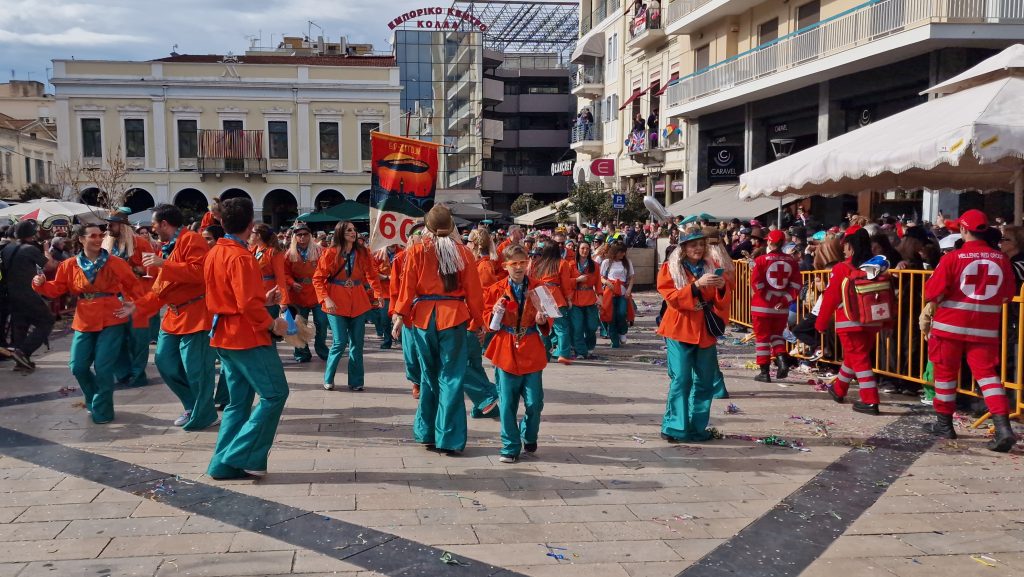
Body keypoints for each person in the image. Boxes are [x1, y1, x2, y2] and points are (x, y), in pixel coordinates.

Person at [205, 197, 290, 479]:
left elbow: (232, 297)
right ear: (251, 225)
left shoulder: (217, 251)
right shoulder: (242, 257)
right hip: (246, 337)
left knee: (238, 403)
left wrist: (262, 300)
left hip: (224, 334)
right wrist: (272, 323)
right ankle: (239, 455)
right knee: (275, 393)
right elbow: (246, 306)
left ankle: (221, 464)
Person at [922, 210, 1016, 451]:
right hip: (984, 329)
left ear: (963, 230)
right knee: (988, 377)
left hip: (949, 327)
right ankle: (1003, 428)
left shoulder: (953, 258)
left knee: (945, 375)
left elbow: (932, 291)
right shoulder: (1001, 259)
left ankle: (945, 425)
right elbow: (1007, 294)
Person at [394, 205, 484, 455]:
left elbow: (407, 286)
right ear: (452, 225)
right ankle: (449, 438)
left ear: (427, 227)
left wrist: (399, 316)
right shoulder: (464, 253)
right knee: (452, 378)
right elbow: (474, 293)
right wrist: (479, 323)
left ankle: (427, 434)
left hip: (423, 318)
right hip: (453, 316)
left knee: (428, 375)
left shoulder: (417, 250)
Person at [33, 223, 143, 424]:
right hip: (84, 318)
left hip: (112, 316)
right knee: (77, 366)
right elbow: (56, 288)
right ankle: (94, 398)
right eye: (93, 235)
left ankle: (103, 410)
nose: (98, 239)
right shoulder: (69, 265)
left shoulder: (115, 262)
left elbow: (135, 287)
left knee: (103, 367)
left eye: (101, 235)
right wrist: (39, 284)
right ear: (81, 239)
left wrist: (134, 305)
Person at [134, 204, 219, 430]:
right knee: (164, 361)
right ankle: (192, 405)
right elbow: (161, 288)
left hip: (196, 313)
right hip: (173, 315)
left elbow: (200, 273)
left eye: (153, 225)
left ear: (164, 223)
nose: (152, 229)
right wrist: (137, 307)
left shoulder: (191, 239)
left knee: (196, 368)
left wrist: (164, 264)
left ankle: (204, 413)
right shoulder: (166, 247)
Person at [657, 227, 731, 442]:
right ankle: (674, 427)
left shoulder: (712, 266)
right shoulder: (670, 269)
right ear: (683, 248)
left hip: (704, 330)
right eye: (693, 244)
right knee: (681, 378)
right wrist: (696, 286)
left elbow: (723, 300)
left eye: (701, 244)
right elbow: (671, 297)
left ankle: (697, 428)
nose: (698, 248)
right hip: (679, 328)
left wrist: (722, 287)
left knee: (705, 381)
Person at [484, 244, 550, 463]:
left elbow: (550, 315)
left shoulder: (539, 288)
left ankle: (529, 435)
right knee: (507, 402)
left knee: (535, 402)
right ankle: (510, 446)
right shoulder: (496, 289)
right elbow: (488, 323)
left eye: (523, 262)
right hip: (506, 346)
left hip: (531, 345)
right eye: (514, 264)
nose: (519, 267)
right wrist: (494, 312)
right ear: (505, 266)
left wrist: (543, 320)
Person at [816, 227, 887, 415]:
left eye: (845, 245)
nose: (843, 249)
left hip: (849, 322)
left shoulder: (841, 269)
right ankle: (839, 389)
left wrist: (821, 323)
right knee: (854, 356)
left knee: (860, 360)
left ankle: (870, 400)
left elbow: (830, 298)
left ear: (851, 246)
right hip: (873, 321)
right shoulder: (876, 267)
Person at [313, 220, 382, 392]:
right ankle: (328, 378)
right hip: (335, 301)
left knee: (357, 343)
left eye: (354, 230)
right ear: (340, 233)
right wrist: (325, 298)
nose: (353, 232)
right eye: (349, 230)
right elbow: (318, 278)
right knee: (340, 341)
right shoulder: (330, 253)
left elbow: (372, 274)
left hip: (358, 300)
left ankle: (356, 381)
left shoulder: (363, 252)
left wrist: (378, 294)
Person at [104, 208, 159, 388]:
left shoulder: (141, 244)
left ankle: (137, 374)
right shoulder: (107, 246)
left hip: (137, 299)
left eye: (111, 224)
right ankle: (123, 373)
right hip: (113, 299)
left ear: (121, 226)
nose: (108, 227)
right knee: (116, 339)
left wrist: (133, 269)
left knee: (139, 341)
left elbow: (153, 270)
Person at [2, 220, 54, 371]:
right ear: (31, 235)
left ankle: (21, 362)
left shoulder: (7, 248)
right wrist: (45, 248)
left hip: (11, 294)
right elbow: (50, 265)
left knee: (21, 325)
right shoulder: (30, 249)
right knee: (47, 321)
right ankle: (24, 351)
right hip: (28, 293)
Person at [750, 229, 801, 383]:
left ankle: (764, 372)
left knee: (762, 339)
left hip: (762, 306)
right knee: (777, 336)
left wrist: (768, 297)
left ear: (770, 242)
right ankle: (782, 359)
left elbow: (756, 283)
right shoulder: (792, 261)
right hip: (781, 308)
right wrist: (784, 299)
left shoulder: (761, 260)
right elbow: (796, 285)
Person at [283, 222, 328, 363]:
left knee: (321, 321)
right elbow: (284, 273)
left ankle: (321, 348)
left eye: (305, 234)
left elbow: (327, 271)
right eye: (299, 235)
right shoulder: (289, 254)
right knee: (299, 324)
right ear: (294, 237)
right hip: (298, 293)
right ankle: (302, 352)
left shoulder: (320, 251)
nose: (302, 237)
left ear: (310, 236)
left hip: (317, 292)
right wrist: (292, 282)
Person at [390, 224, 425, 399]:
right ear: (411, 238)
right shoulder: (400, 259)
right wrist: (397, 313)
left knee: (425, 351)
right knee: (410, 351)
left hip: (428, 313)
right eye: (420, 233)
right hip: (408, 313)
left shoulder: (435, 257)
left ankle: (426, 381)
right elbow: (395, 289)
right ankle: (416, 381)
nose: (423, 236)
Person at [530, 243, 574, 364]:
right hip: (555, 296)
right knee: (561, 328)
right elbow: (565, 284)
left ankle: (543, 354)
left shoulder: (538, 263)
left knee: (542, 327)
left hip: (540, 294)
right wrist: (569, 299)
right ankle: (563, 354)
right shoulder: (562, 263)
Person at [568, 241, 601, 359]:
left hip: (590, 298)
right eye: (582, 248)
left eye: (587, 248)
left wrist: (600, 297)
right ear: (578, 250)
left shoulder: (595, 265)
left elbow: (598, 283)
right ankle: (580, 351)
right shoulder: (571, 264)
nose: (585, 251)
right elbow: (566, 282)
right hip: (575, 298)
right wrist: (577, 280)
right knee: (577, 327)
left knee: (592, 326)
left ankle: (590, 347)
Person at [600, 242, 635, 347]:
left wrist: (629, 289)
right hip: (609, 292)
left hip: (623, 292)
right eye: (620, 252)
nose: (623, 254)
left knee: (621, 313)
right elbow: (601, 277)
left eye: (624, 252)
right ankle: (614, 340)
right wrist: (606, 282)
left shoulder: (627, 262)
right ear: (615, 252)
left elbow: (632, 277)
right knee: (611, 316)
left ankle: (622, 332)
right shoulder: (606, 262)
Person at [371, 243, 401, 349]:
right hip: (385, 292)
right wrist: (387, 277)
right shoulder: (378, 255)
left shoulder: (402, 252)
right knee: (385, 319)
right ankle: (387, 340)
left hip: (399, 291)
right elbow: (372, 273)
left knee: (400, 316)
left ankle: (400, 339)